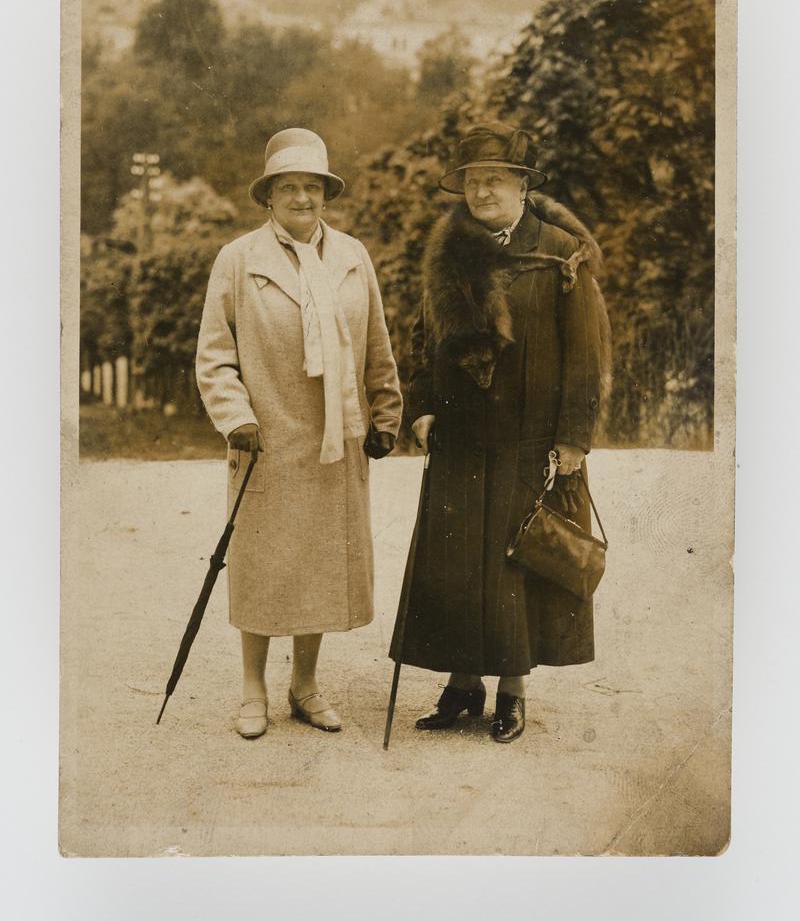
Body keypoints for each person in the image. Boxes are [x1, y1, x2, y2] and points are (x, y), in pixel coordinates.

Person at [389, 121, 611, 743]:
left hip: (532, 436)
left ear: (521, 184)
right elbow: (424, 334)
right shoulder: (449, 252)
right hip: (462, 431)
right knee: (461, 559)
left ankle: (512, 692)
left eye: (495, 179)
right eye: (472, 182)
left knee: (518, 560)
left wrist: (573, 437)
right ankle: (463, 685)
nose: (482, 192)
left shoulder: (559, 252)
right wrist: (424, 408)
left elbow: (587, 355)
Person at [196, 128, 402, 739]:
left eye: (312, 187)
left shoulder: (352, 256)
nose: (303, 198)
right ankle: (253, 690)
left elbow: (376, 344)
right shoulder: (238, 259)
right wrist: (237, 418)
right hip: (267, 439)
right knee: (262, 565)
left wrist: (386, 413)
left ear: (325, 194)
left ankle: (305, 686)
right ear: (269, 197)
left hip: (335, 439)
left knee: (318, 565)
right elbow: (215, 354)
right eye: (289, 187)